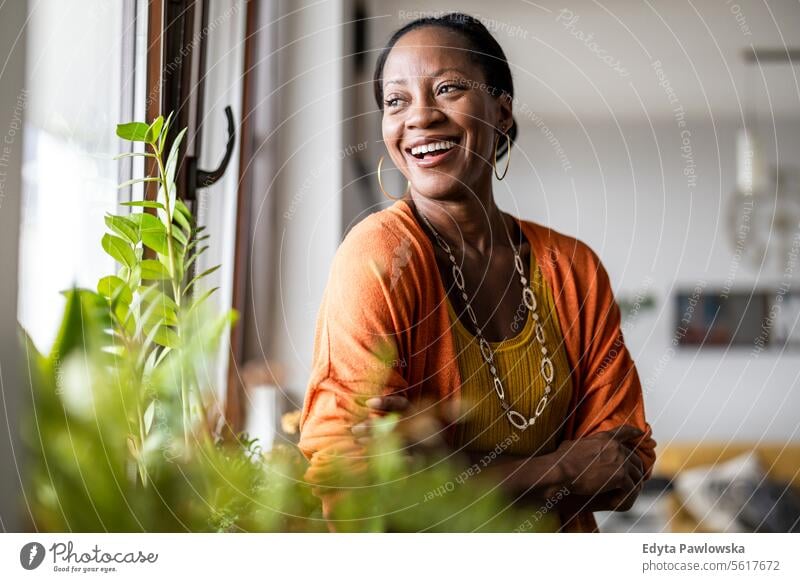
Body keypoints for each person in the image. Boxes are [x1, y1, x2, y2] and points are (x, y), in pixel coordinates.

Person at [298, 12, 656, 532]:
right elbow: (355, 493)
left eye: (447, 89)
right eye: (396, 101)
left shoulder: (573, 268)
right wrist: (562, 467)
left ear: (502, 111)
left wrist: (444, 473)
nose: (419, 117)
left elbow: (624, 464)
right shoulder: (378, 256)